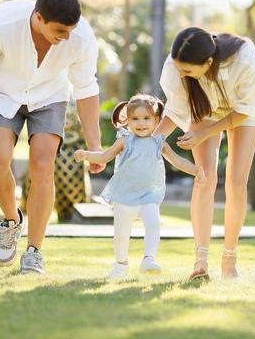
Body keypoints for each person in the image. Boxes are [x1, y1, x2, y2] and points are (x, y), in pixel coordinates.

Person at [0, 0, 104, 274]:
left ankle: (34, 251)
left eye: (70, 31)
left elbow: (86, 90)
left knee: (42, 163)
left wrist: (96, 145)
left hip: (50, 96)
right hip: (2, 93)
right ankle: (12, 222)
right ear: (38, 18)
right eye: (59, 31)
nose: (66, 38)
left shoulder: (82, 39)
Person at [155, 27, 255, 280]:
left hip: (243, 112)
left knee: (236, 183)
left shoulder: (245, 58)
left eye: (187, 70)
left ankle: (229, 259)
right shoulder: (175, 66)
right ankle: (200, 261)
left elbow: (243, 112)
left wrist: (205, 133)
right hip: (204, 109)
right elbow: (176, 111)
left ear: (207, 62)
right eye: (179, 68)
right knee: (204, 177)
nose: (180, 73)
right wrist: (149, 141)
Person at [74, 94, 205, 279]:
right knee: (121, 233)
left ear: (157, 120)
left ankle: (149, 258)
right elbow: (105, 157)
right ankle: (120, 264)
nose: (141, 123)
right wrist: (86, 155)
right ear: (127, 120)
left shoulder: (159, 143)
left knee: (153, 223)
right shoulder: (125, 140)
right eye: (135, 118)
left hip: (148, 196)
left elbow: (177, 161)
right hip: (124, 197)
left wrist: (196, 170)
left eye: (146, 118)